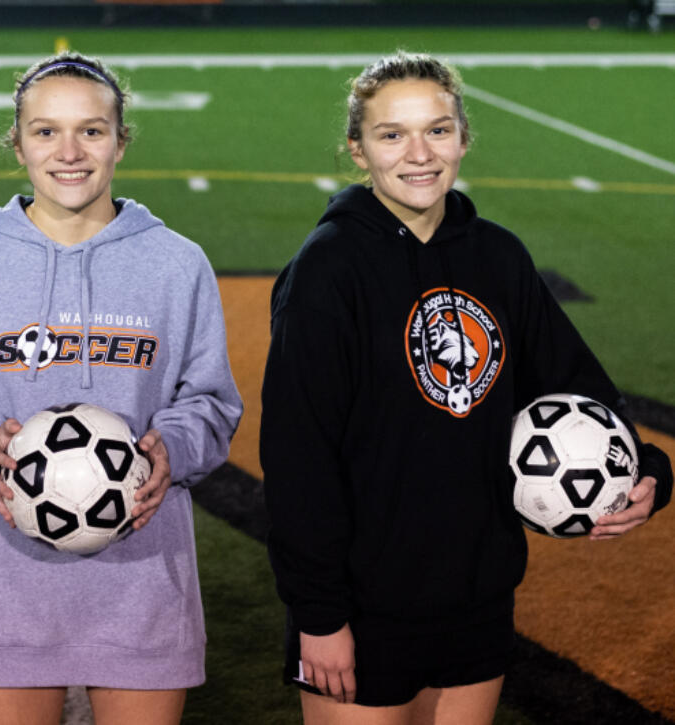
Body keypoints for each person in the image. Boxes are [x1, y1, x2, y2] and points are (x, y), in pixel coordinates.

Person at [259, 51, 673, 725]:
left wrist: (651, 468)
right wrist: (320, 616)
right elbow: (299, 456)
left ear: (462, 137)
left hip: (478, 601)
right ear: (357, 150)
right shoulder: (328, 270)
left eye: (439, 130)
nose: (419, 154)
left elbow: (579, 386)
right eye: (392, 134)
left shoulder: (497, 257)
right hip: (364, 610)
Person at [0, 52, 242, 725]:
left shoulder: (176, 263)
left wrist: (173, 444)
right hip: (3, 587)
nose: (70, 152)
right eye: (46, 131)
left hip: (143, 585)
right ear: (17, 143)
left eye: (92, 130)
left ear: (120, 141)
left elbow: (213, 401)